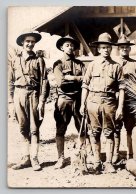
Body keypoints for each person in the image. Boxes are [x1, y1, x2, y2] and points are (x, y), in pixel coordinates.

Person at [80, 32, 124, 174]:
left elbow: (122, 88)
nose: (106, 50)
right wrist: (82, 104)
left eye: (108, 47)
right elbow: (85, 85)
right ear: (98, 49)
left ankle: (109, 162)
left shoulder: (117, 67)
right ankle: (97, 162)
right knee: (94, 133)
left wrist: (120, 107)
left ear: (111, 49)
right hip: (93, 102)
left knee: (109, 133)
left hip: (109, 103)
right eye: (103, 47)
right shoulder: (92, 65)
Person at [8, 30, 48, 171]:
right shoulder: (14, 61)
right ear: (22, 43)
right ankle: (26, 158)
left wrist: (42, 100)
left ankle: (34, 158)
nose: (30, 44)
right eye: (27, 42)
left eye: (32, 42)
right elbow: (10, 82)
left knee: (34, 129)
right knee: (22, 128)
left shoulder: (39, 60)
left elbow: (44, 81)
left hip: (34, 95)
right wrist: (10, 102)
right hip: (19, 94)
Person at [52, 35, 86, 169]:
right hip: (64, 100)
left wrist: (70, 77)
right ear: (61, 47)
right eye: (67, 45)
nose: (70, 47)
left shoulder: (80, 64)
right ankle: (60, 158)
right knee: (60, 129)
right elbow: (61, 83)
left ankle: (83, 156)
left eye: (72, 45)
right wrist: (78, 78)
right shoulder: (58, 64)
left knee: (82, 129)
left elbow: (86, 80)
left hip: (78, 99)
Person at [113, 34, 136, 163]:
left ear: (130, 49)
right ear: (118, 49)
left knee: (130, 128)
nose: (124, 49)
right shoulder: (113, 64)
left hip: (130, 101)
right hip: (115, 101)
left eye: (126, 47)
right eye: (121, 47)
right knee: (115, 128)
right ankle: (115, 154)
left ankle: (130, 154)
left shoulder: (135, 64)